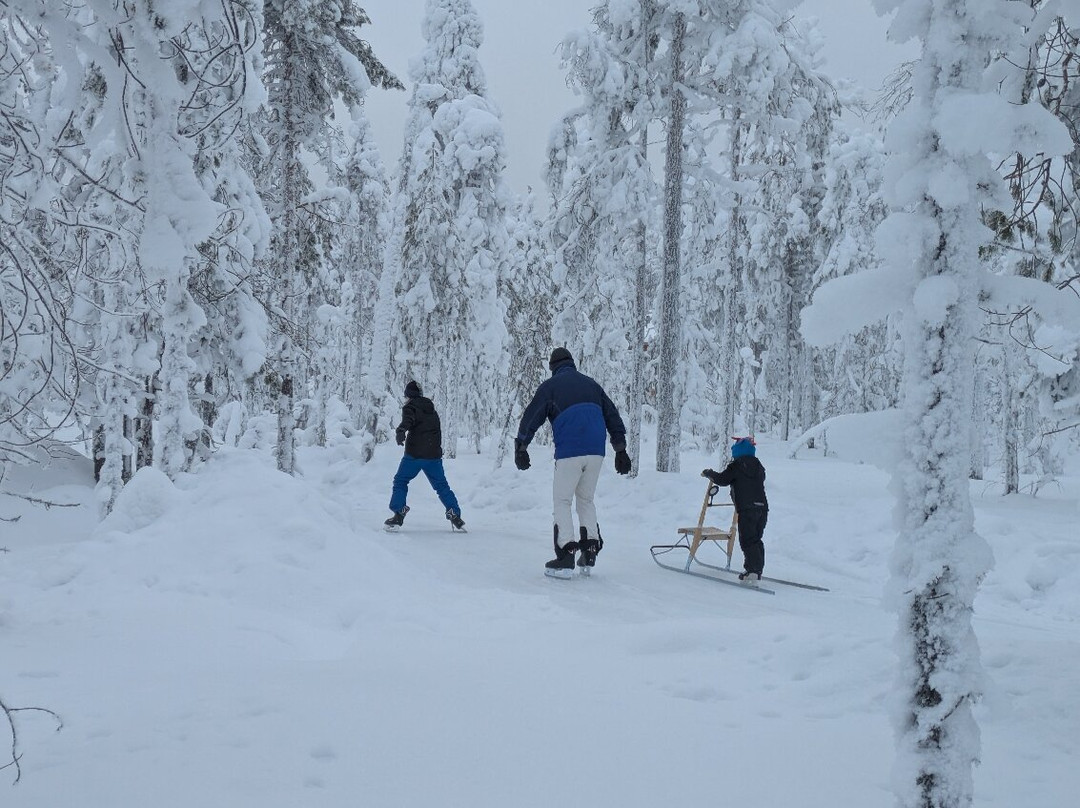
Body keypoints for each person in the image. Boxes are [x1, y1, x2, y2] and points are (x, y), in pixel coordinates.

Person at [514, 347, 630, 577]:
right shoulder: (592, 384)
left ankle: (566, 554)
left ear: (552, 367)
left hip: (569, 452)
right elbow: (612, 415)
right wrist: (620, 449)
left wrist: (521, 447)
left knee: (562, 501)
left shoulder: (550, 387)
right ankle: (590, 549)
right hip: (596, 452)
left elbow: (532, 416)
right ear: (572, 363)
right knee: (586, 499)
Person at [384, 381, 465, 532]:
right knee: (441, 486)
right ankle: (455, 515)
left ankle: (398, 513)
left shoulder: (410, 407)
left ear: (408, 395)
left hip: (414, 455)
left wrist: (401, 431)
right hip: (433, 456)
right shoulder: (432, 410)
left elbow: (408, 420)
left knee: (400, 480)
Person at [702, 437, 768, 583]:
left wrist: (709, 473)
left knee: (747, 540)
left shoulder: (736, 466)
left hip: (747, 509)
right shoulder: (758, 466)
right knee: (756, 539)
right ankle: (757, 569)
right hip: (762, 508)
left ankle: (752, 571)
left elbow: (723, 479)